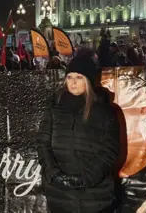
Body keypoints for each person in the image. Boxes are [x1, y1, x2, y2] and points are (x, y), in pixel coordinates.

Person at [36, 54, 120, 213]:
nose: (73, 82)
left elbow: (109, 151)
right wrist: (54, 175)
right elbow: (42, 143)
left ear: (88, 80)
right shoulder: (54, 106)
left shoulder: (104, 111)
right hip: (59, 194)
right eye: (69, 77)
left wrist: (84, 179)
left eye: (79, 77)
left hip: (94, 196)